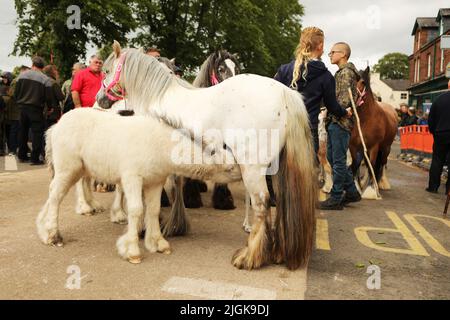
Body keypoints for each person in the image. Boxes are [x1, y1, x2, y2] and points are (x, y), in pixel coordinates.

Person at [274, 27, 351, 154]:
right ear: (320, 46)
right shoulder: (325, 76)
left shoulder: (284, 70)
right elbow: (332, 106)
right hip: (308, 132)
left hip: (284, 130)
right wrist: (345, 113)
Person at [318, 42, 361, 210]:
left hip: (339, 122)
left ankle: (336, 197)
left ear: (343, 54)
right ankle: (351, 191)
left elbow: (342, 101)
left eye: (333, 52)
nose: (329, 54)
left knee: (338, 161)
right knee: (335, 158)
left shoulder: (345, 74)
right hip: (335, 120)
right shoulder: (342, 73)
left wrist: (329, 109)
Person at [14, 56, 54, 165]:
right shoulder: (45, 79)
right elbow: (48, 97)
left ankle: (21, 156)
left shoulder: (21, 76)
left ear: (33, 65)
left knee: (23, 131)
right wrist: (50, 108)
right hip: (36, 108)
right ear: (43, 67)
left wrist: (19, 102)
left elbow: (16, 92)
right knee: (37, 133)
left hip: (22, 107)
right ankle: (34, 158)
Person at [426, 89, 450, 194]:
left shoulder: (439, 99)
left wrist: (434, 131)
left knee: (437, 160)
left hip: (440, 134)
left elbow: (431, 118)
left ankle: (433, 186)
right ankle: (448, 190)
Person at [1, 72, 20, 155]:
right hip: (6, 114)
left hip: (13, 113)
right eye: (3, 78)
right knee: (7, 132)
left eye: (5, 78)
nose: (4, 80)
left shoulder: (12, 86)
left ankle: (12, 149)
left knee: (12, 132)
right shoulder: (2, 87)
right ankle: (10, 148)